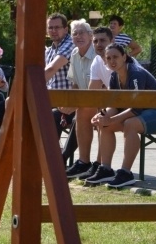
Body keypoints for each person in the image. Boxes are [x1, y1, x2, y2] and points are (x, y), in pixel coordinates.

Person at [86, 43, 156, 187]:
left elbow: (137, 108)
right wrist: (102, 116)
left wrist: (111, 119)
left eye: (115, 57)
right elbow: (114, 105)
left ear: (125, 56)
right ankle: (106, 169)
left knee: (130, 124)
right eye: (108, 58)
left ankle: (125, 173)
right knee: (105, 125)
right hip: (143, 112)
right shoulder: (114, 77)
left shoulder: (136, 73)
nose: (112, 61)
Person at [65, 26, 112, 180]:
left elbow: (110, 90)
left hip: (127, 104)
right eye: (96, 41)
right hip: (100, 100)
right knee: (83, 109)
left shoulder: (115, 57)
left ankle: (100, 165)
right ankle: (83, 162)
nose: (99, 44)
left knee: (100, 112)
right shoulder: (97, 60)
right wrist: (71, 104)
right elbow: (90, 91)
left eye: (103, 41)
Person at [59, 20, 95, 166]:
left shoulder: (97, 55)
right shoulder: (74, 54)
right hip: (81, 102)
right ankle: (50, 157)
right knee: (51, 115)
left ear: (90, 35)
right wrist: (69, 103)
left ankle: (79, 161)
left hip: (99, 102)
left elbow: (101, 89)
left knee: (80, 113)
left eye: (82, 33)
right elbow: (74, 83)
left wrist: (75, 105)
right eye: (75, 34)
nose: (78, 36)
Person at [45, 12, 75, 141]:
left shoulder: (70, 43)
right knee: (3, 108)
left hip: (69, 101)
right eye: (50, 28)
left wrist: (30, 88)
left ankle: (52, 157)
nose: (53, 31)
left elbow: (51, 69)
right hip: (54, 100)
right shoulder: (50, 49)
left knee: (49, 117)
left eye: (57, 27)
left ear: (66, 29)